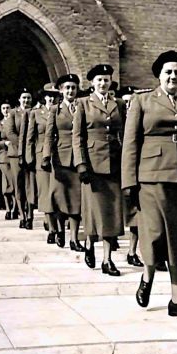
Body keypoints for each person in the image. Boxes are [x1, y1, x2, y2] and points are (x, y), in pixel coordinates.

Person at [121, 50, 177, 322]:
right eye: (168, 71)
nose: (173, 76)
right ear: (159, 75)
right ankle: (147, 276)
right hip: (151, 178)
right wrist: (129, 182)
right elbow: (131, 144)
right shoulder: (142, 101)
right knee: (154, 234)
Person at [73, 64, 126, 276]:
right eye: (99, 80)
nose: (103, 83)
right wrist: (81, 164)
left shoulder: (118, 104)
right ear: (92, 83)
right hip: (93, 165)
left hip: (114, 162)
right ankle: (89, 243)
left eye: (106, 80)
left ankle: (107, 259)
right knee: (94, 210)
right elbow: (78, 137)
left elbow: (124, 133)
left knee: (111, 212)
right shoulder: (83, 104)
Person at [42, 73, 83, 257]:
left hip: (79, 159)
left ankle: (74, 238)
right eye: (67, 88)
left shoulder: (83, 107)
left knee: (76, 200)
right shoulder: (55, 110)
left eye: (73, 87)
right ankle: (59, 230)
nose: (70, 91)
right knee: (59, 198)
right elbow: (49, 135)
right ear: (61, 90)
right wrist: (46, 156)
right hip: (60, 159)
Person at [26, 83, 61, 243]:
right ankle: (52, 228)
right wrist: (28, 157)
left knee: (58, 192)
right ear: (44, 97)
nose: (52, 98)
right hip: (42, 158)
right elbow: (30, 137)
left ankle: (59, 226)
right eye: (49, 95)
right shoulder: (36, 113)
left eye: (54, 95)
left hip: (60, 155)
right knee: (46, 192)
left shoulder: (62, 111)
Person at [117, 86, 144, 268]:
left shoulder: (141, 117)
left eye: (130, 102)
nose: (128, 105)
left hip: (139, 169)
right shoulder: (116, 120)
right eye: (125, 102)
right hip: (118, 169)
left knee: (138, 216)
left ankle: (133, 251)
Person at [4, 88, 33, 229]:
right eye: (24, 98)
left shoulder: (34, 112)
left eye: (28, 98)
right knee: (19, 185)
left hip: (31, 155)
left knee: (30, 185)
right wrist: (23, 147)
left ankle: (31, 215)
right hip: (16, 154)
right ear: (19, 100)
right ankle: (22, 214)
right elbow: (10, 133)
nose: (26, 100)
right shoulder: (13, 114)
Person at [0, 101, 17, 220]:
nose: (6, 110)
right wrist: (4, 143)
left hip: (16, 154)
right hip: (4, 156)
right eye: (3, 108)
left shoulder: (17, 121)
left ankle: (15, 208)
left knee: (15, 182)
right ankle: (8, 208)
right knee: (6, 183)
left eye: (8, 107)